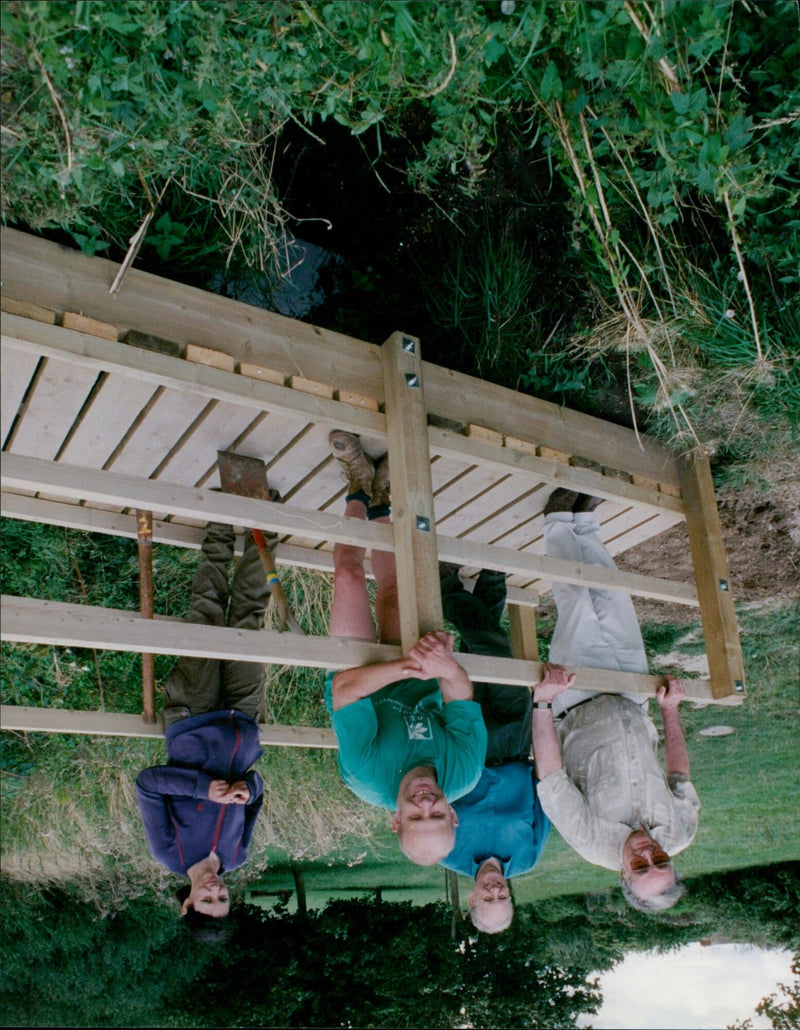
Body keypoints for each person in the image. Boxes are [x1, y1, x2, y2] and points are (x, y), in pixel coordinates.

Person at [531, 489, 700, 913]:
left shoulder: (591, 843)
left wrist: (543, 704)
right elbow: (679, 775)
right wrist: (669, 711)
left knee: (578, 607)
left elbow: (551, 779)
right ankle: (585, 527)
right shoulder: (681, 833)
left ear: (624, 876)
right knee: (615, 603)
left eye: (641, 867)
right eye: (659, 861)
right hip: (631, 700)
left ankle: (557, 521)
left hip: (577, 701)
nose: (648, 853)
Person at [325, 430, 487, 866]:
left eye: (416, 817)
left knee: (348, 576)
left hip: (359, 681)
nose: (425, 803)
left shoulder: (367, 777)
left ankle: (357, 486)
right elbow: (461, 696)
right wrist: (444, 665)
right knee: (395, 593)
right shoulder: (465, 773)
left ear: (396, 820)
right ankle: (381, 498)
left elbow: (346, 690)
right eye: (437, 814)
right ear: (452, 813)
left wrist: (410, 664)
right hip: (416, 674)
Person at [135, 521, 267, 939]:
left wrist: (202, 789)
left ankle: (221, 527)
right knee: (249, 620)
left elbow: (148, 783)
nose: (217, 892)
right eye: (223, 900)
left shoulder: (167, 851)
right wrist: (247, 789)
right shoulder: (238, 854)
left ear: (186, 903)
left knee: (208, 614)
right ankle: (265, 530)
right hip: (242, 721)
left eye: (207, 901)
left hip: (192, 715)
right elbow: (257, 793)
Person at [439, 566, 551, 933]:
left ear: (471, 899)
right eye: (503, 899)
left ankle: (488, 574)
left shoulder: (448, 852)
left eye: (487, 900)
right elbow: (545, 795)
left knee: (481, 653)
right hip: (516, 741)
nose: (495, 892)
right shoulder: (528, 856)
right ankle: (459, 583)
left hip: (469, 746)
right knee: (496, 658)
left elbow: (438, 794)